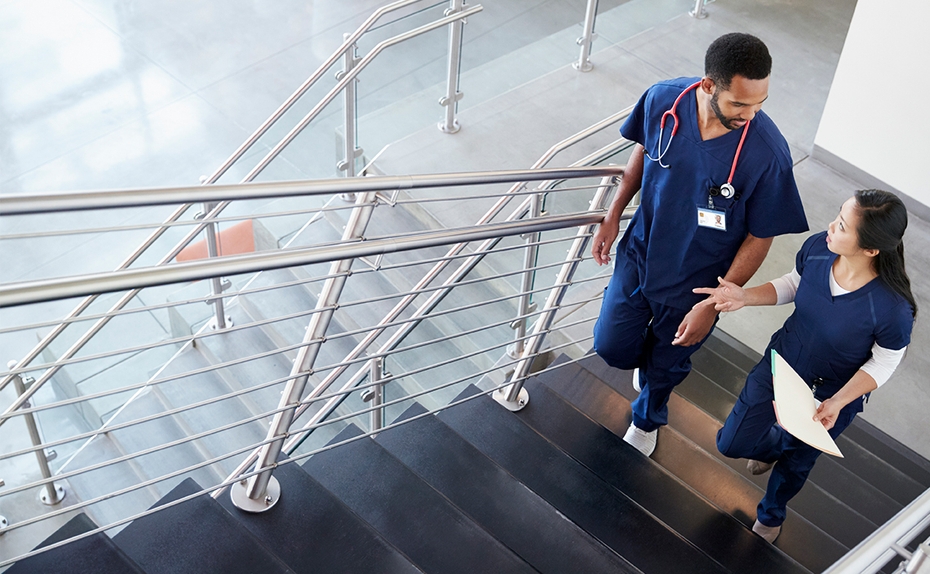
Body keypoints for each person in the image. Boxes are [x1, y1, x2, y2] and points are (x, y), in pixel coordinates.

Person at [592, 32, 808, 457]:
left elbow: (761, 235)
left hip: (698, 283)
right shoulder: (663, 100)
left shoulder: (767, 154)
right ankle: (647, 364)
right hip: (641, 254)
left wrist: (714, 302)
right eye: (739, 104)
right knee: (611, 346)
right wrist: (614, 212)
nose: (751, 114)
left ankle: (647, 416)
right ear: (709, 86)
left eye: (760, 103)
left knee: (667, 366)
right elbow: (643, 151)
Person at [694, 189, 916, 543]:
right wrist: (745, 296)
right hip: (782, 364)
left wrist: (839, 402)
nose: (830, 226)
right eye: (837, 216)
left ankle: (771, 513)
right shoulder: (818, 248)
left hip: (829, 397)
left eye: (842, 226)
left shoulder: (892, 309)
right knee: (731, 442)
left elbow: (886, 360)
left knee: (797, 463)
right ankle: (771, 447)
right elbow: (795, 284)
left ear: (871, 249)